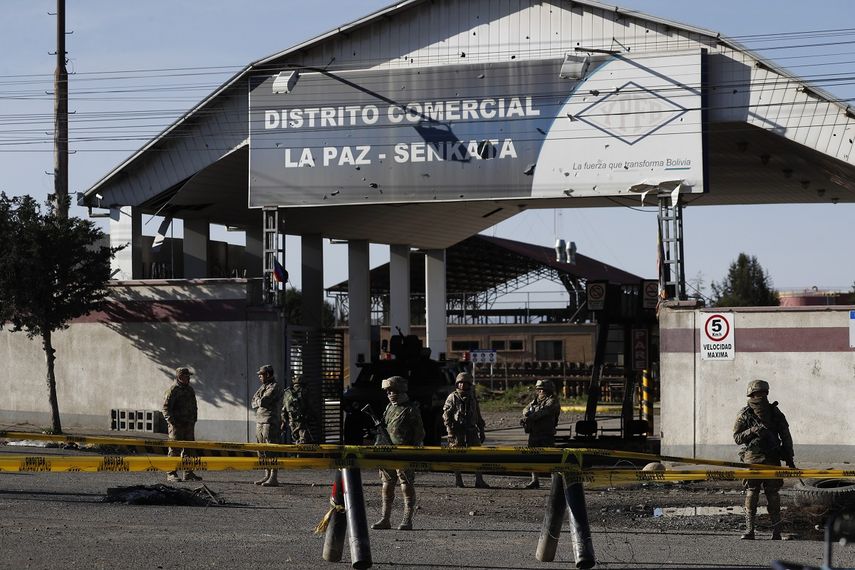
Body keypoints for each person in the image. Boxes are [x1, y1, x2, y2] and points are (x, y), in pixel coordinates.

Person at [733, 379, 795, 540]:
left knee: (765, 493)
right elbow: (737, 438)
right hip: (757, 459)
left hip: (767, 458)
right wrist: (753, 430)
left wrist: (789, 457)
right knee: (758, 492)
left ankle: (771, 531)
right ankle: (755, 530)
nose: (760, 397)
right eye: (758, 394)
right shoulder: (748, 413)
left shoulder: (773, 412)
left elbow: (785, 436)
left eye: (762, 394)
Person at [371, 375, 425, 531]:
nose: (389, 394)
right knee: (387, 485)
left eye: (391, 390)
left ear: (400, 390)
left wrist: (413, 450)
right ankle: (385, 519)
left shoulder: (410, 409)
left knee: (406, 485)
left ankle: (407, 520)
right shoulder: (389, 408)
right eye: (387, 391)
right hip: (388, 452)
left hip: (404, 453)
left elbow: (419, 433)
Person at [443, 371, 490, 489]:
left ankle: (479, 480)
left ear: (469, 384)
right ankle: (458, 480)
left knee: (476, 456)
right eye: (460, 383)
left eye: (465, 383)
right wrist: (450, 431)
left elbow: (477, 414)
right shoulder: (453, 397)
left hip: (471, 430)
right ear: (457, 384)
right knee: (456, 456)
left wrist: (482, 430)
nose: (462, 385)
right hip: (457, 431)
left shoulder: (472, 397)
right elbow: (446, 415)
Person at [162, 366, 202, 483]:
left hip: (188, 425)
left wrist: (194, 419)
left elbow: (194, 406)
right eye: (186, 376)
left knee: (189, 449)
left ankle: (188, 473)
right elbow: (165, 408)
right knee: (174, 449)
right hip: (177, 425)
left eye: (189, 376)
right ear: (179, 377)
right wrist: (172, 422)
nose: (188, 378)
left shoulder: (190, 390)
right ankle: (171, 473)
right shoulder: (173, 390)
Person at [520, 379, 561, 489]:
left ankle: (555, 482)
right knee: (532, 458)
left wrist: (529, 417)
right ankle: (535, 480)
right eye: (539, 389)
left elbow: (543, 412)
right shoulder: (536, 400)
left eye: (543, 389)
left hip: (546, 434)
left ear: (549, 390)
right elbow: (525, 409)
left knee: (550, 458)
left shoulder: (553, 401)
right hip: (534, 433)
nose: (541, 391)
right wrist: (526, 414)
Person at [251, 364, 284, 487]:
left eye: (261, 374)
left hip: (270, 421)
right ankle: (266, 474)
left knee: (271, 449)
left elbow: (264, 401)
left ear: (268, 374)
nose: (259, 376)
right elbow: (253, 401)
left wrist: (258, 401)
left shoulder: (275, 386)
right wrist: (258, 401)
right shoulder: (263, 387)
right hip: (260, 420)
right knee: (261, 450)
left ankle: (273, 477)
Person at [282, 373, 318, 444]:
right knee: (303, 442)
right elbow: (311, 406)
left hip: (292, 421)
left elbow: (283, 409)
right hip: (303, 422)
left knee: (295, 441)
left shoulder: (287, 392)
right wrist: (314, 417)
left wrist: (283, 422)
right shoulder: (305, 391)